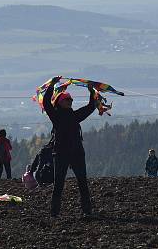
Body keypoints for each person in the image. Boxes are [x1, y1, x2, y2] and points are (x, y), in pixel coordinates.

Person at [43, 76, 97, 218]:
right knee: (58, 184)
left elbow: (91, 107)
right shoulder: (55, 116)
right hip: (61, 153)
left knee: (82, 182)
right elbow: (47, 104)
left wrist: (91, 92)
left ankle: (87, 211)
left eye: (71, 100)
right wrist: (52, 86)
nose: (70, 101)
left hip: (77, 153)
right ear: (60, 102)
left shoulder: (74, 115)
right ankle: (54, 213)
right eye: (67, 99)